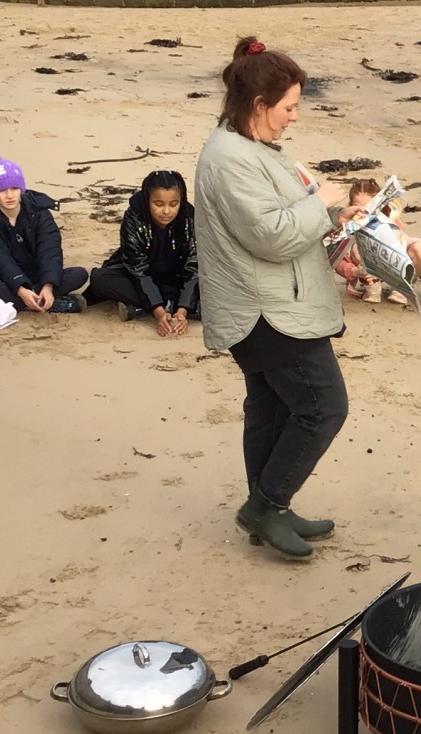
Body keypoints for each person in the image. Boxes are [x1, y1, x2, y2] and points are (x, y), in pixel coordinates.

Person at [195, 36, 355, 560]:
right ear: (259, 104)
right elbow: (271, 236)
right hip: (265, 310)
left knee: (271, 408)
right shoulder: (229, 158)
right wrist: (322, 201)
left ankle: (270, 510)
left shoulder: (248, 146)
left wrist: (333, 215)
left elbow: (281, 217)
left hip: (268, 302)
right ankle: (266, 506)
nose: (294, 117)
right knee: (323, 406)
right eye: (288, 107)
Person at [0, 151, 87, 313]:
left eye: (14, 188)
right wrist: (20, 289)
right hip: (2, 276)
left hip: (35, 272)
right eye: (2, 191)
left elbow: (49, 249)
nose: (10, 195)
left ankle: (24, 302)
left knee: (79, 274)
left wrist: (48, 286)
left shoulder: (38, 210)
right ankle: (42, 303)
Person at [84, 170, 200, 336]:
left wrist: (182, 312)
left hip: (176, 278)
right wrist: (159, 313)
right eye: (159, 204)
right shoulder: (134, 217)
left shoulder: (189, 218)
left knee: (218, 283)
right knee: (100, 278)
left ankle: (147, 307)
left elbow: (193, 266)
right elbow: (137, 268)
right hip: (138, 278)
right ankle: (169, 305)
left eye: (173, 204)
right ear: (147, 200)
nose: (166, 211)